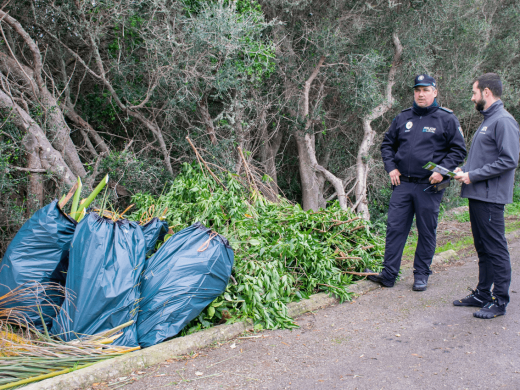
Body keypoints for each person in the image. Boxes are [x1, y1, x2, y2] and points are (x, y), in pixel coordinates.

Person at [366, 74, 466, 291]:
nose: (421, 94)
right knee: (394, 229)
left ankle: (421, 274)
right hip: (403, 185)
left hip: (429, 186)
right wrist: (391, 167)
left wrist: (441, 171)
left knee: (426, 231)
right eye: (417, 90)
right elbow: (387, 145)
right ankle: (389, 274)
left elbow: (458, 150)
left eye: (426, 90)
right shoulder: (403, 118)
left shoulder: (446, 119)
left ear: (435, 92)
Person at [453, 73, 519, 319]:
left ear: (486, 92)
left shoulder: (503, 121)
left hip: (491, 198)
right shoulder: (488, 120)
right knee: (483, 247)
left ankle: (500, 301)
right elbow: (487, 158)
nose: (472, 98)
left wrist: (473, 176)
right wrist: (464, 171)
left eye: (474, 92)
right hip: (479, 195)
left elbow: (509, 160)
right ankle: (482, 294)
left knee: (496, 248)